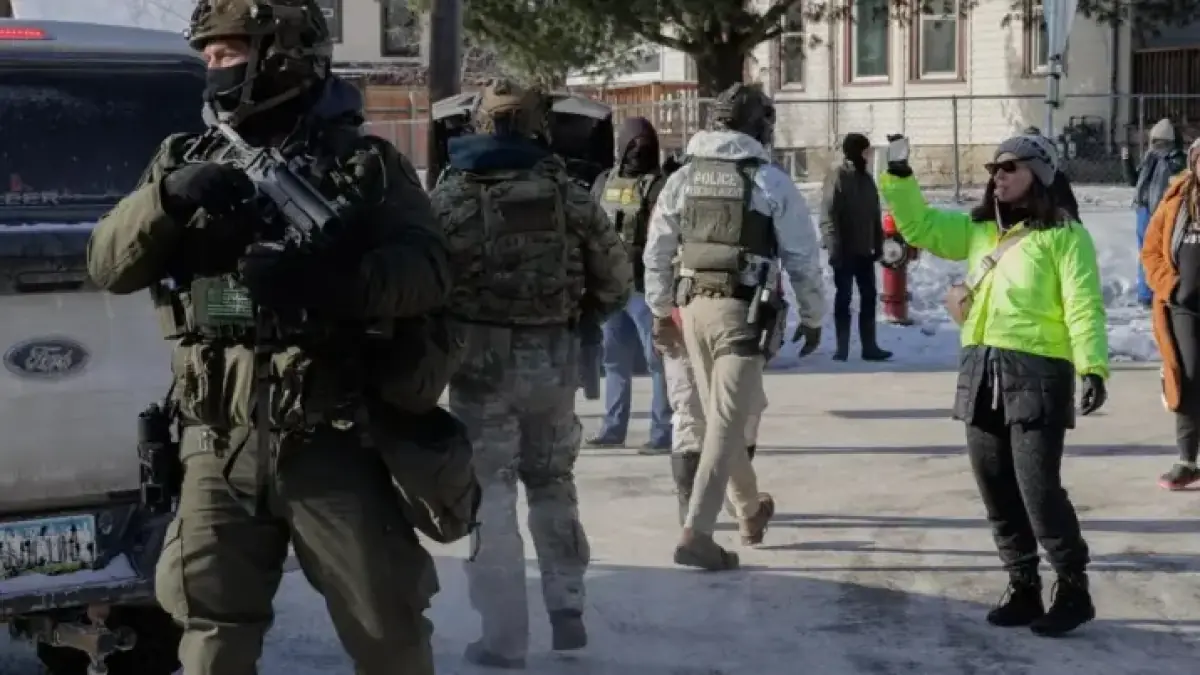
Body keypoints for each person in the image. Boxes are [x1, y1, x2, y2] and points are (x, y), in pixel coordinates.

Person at [86, 1, 452, 673]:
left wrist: (334, 281)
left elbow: (430, 269)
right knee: (210, 630)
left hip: (330, 436)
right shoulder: (184, 156)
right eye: (208, 56)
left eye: (227, 53)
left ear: (280, 55)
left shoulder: (364, 165)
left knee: (387, 629)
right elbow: (108, 265)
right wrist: (166, 199)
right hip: (215, 441)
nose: (213, 68)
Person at [429, 78, 632, 668]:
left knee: (489, 492)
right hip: (553, 360)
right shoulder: (568, 195)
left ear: (480, 125)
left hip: (477, 366)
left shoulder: (450, 197)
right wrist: (579, 317)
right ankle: (567, 605)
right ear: (539, 126)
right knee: (551, 481)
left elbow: (422, 281)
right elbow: (617, 281)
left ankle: (504, 635)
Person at [881, 132, 1108, 637]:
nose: (998, 176)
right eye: (994, 169)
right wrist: (899, 177)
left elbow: (1084, 305)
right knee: (995, 485)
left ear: (1039, 175)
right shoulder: (979, 230)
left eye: (1010, 168)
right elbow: (919, 226)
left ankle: (1073, 587)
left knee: (1038, 490)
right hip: (981, 368)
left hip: (1038, 372)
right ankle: (1022, 584)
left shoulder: (1064, 236)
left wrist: (1092, 366)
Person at [644, 82, 826, 571]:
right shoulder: (768, 181)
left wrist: (660, 311)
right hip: (742, 314)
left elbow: (657, 250)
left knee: (718, 418)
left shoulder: (683, 178)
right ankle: (697, 534)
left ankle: (749, 510)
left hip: (692, 311)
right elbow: (802, 258)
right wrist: (814, 317)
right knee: (725, 425)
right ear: (758, 126)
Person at [587, 116, 674, 452]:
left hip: (643, 288)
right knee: (615, 361)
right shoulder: (604, 181)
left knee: (656, 362)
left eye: (643, 144)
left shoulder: (660, 185)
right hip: (614, 288)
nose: (638, 150)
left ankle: (661, 433)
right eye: (633, 144)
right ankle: (614, 428)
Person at [1140, 138, 1200, 491]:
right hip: (1183, 307)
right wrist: (1171, 286)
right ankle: (1187, 461)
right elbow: (1150, 252)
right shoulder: (1176, 199)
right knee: (1188, 377)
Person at [820, 132, 892, 361]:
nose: (868, 156)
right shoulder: (838, 177)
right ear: (856, 152)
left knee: (869, 296)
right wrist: (833, 247)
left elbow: (874, 214)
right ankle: (841, 349)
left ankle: (869, 347)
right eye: (865, 151)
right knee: (844, 297)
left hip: (865, 251)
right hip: (844, 250)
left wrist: (878, 244)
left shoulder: (866, 178)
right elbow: (828, 215)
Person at [1124, 118, 1187, 307]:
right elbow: (1134, 180)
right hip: (1143, 210)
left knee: (1161, 252)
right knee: (1146, 252)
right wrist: (1126, 161)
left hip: (1161, 211)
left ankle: (1161, 290)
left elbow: (1179, 177)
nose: (1155, 146)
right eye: (1154, 141)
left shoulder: (1176, 159)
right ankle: (1146, 294)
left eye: (1160, 141)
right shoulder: (1149, 158)